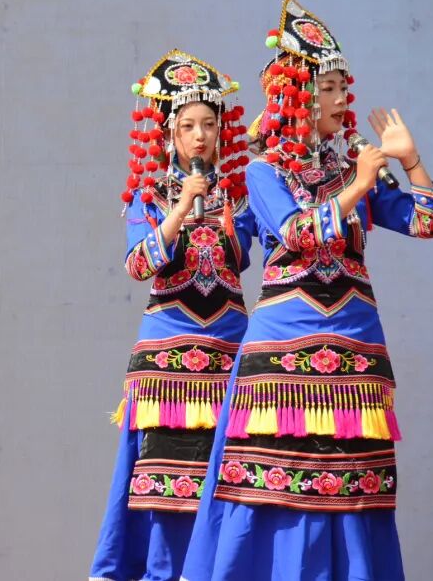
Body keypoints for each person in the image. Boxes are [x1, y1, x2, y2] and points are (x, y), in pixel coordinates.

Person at [181, 0, 433, 581]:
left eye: (340, 87)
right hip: (283, 348)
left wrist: (411, 163)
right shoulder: (263, 172)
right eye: (327, 88)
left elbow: (429, 223)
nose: (339, 99)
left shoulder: (354, 166)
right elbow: (297, 233)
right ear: (296, 98)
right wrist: (358, 187)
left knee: (355, 488)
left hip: (356, 349)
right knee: (269, 485)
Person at [90, 49, 253, 581]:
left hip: (230, 355)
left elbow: (249, 258)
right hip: (169, 362)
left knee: (230, 484)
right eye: (188, 126)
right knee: (166, 488)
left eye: (209, 124)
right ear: (168, 135)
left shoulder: (240, 196)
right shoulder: (148, 196)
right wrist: (181, 207)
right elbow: (138, 264)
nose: (200, 136)